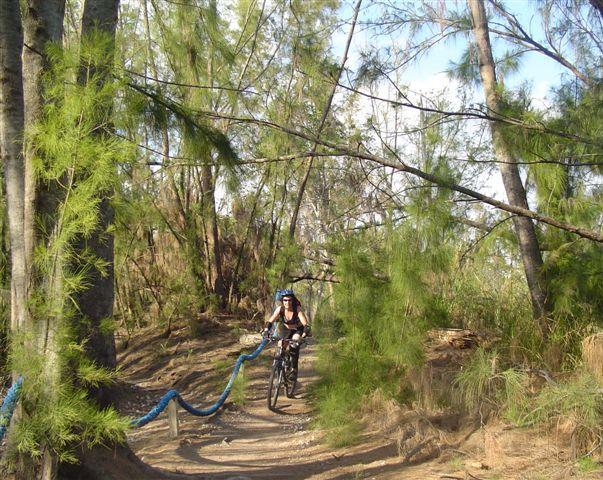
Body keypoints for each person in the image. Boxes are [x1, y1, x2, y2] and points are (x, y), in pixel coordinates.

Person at [262, 289, 309, 383]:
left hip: (297, 330)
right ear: (282, 301)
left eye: (290, 300)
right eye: (285, 300)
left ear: (293, 300)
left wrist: (303, 335)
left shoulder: (297, 309)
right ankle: (280, 367)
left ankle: (293, 370)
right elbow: (270, 321)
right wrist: (266, 330)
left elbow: (305, 325)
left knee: (293, 343)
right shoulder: (280, 309)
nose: (287, 302)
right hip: (286, 329)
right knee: (280, 344)